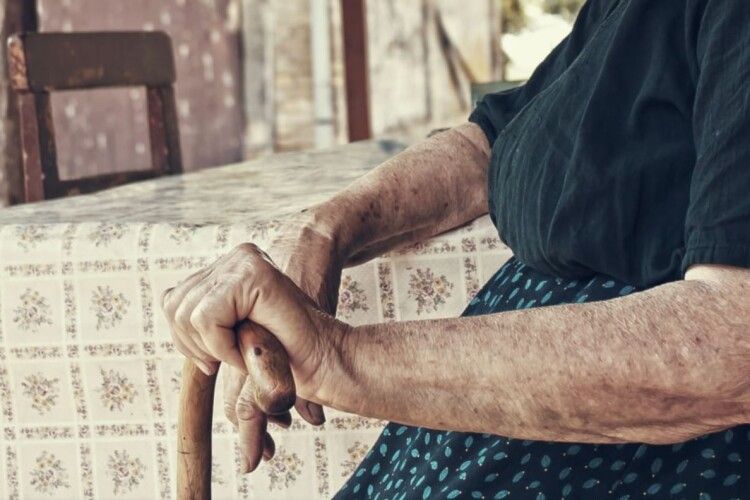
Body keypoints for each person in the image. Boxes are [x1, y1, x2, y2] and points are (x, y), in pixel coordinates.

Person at [161, 0, 750, 497]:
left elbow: (731, 342)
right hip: (514, 418)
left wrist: (336, 356)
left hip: (650, 451)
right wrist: (324, 229)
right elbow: (494, 140)